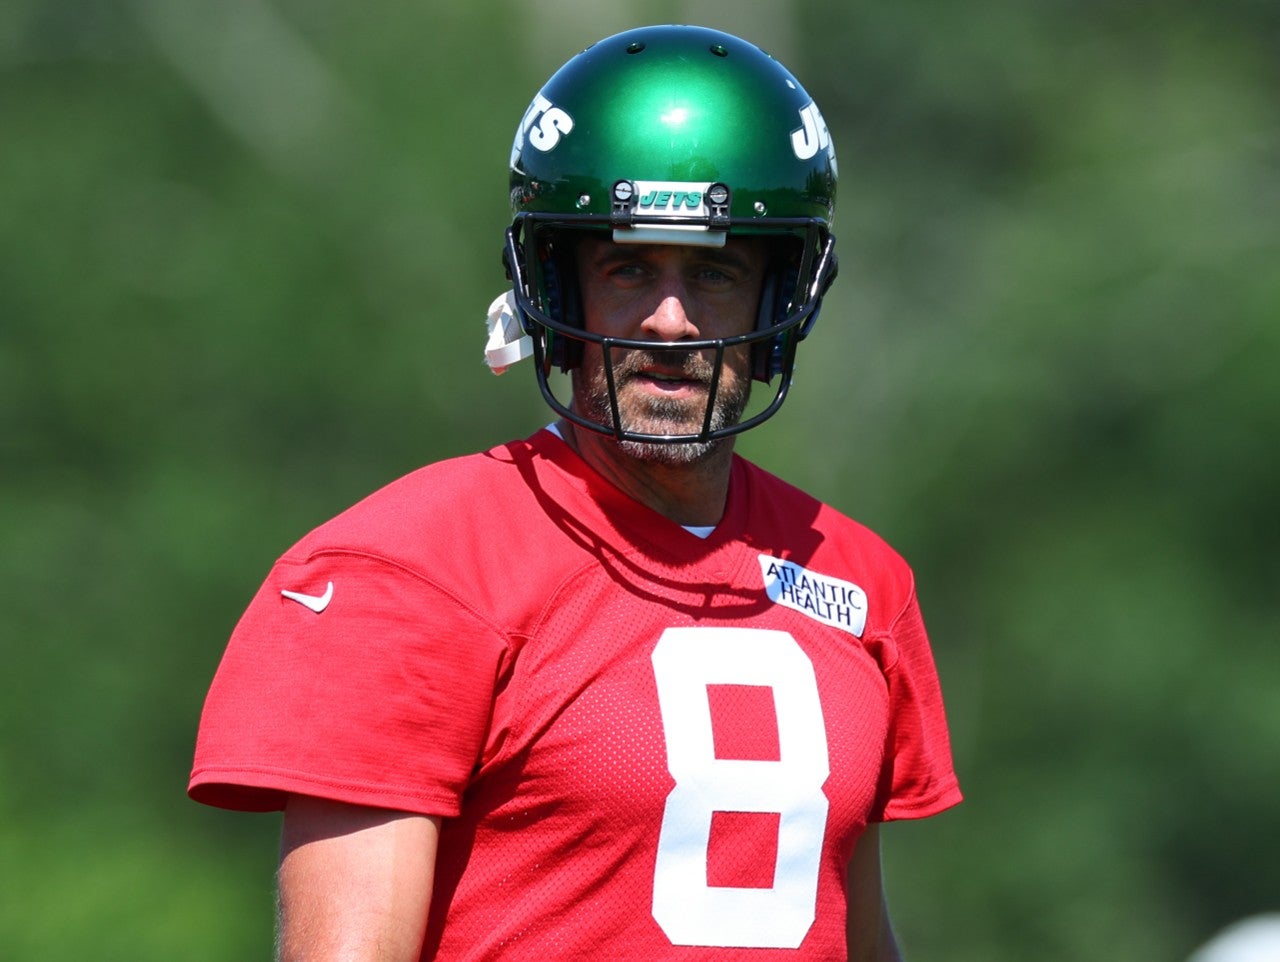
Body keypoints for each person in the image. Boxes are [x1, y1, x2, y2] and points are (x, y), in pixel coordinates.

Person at [189, 24, 962, 962]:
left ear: (779, 301)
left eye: (714, 272)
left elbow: (854, 931)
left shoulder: (860, 579)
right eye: (627, 267)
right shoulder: (408, 571)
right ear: (556, 284)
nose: (670, 319)